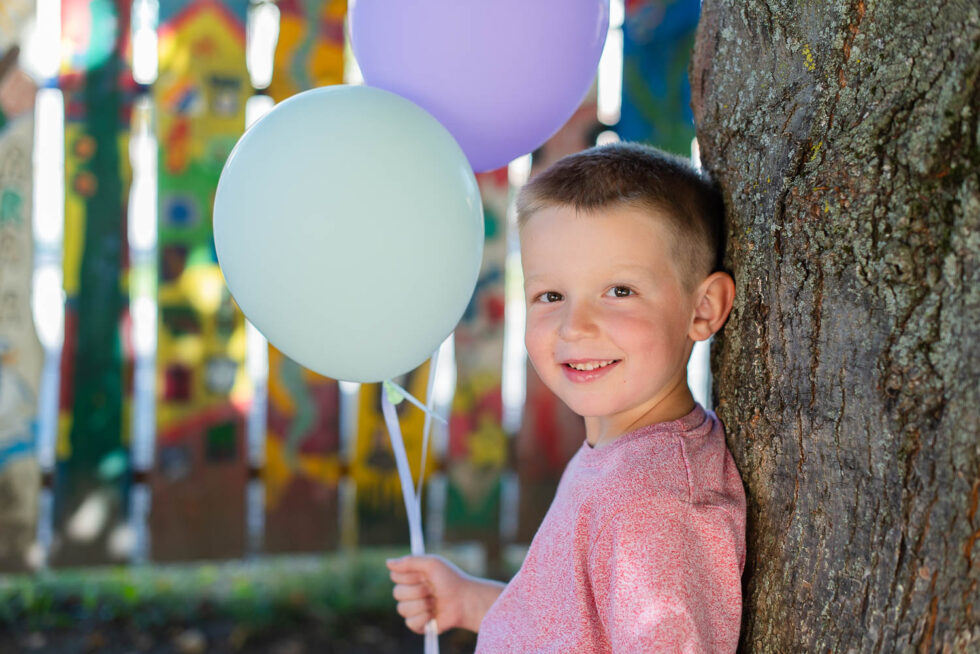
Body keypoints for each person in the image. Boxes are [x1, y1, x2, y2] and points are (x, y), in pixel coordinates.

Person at [387, 142, 746, 652]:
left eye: (619, 291)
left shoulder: (653, 507)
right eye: (551, 296)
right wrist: (472, 602)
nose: (575, 328)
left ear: (703, 308)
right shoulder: (623, 457)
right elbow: (576, 621)